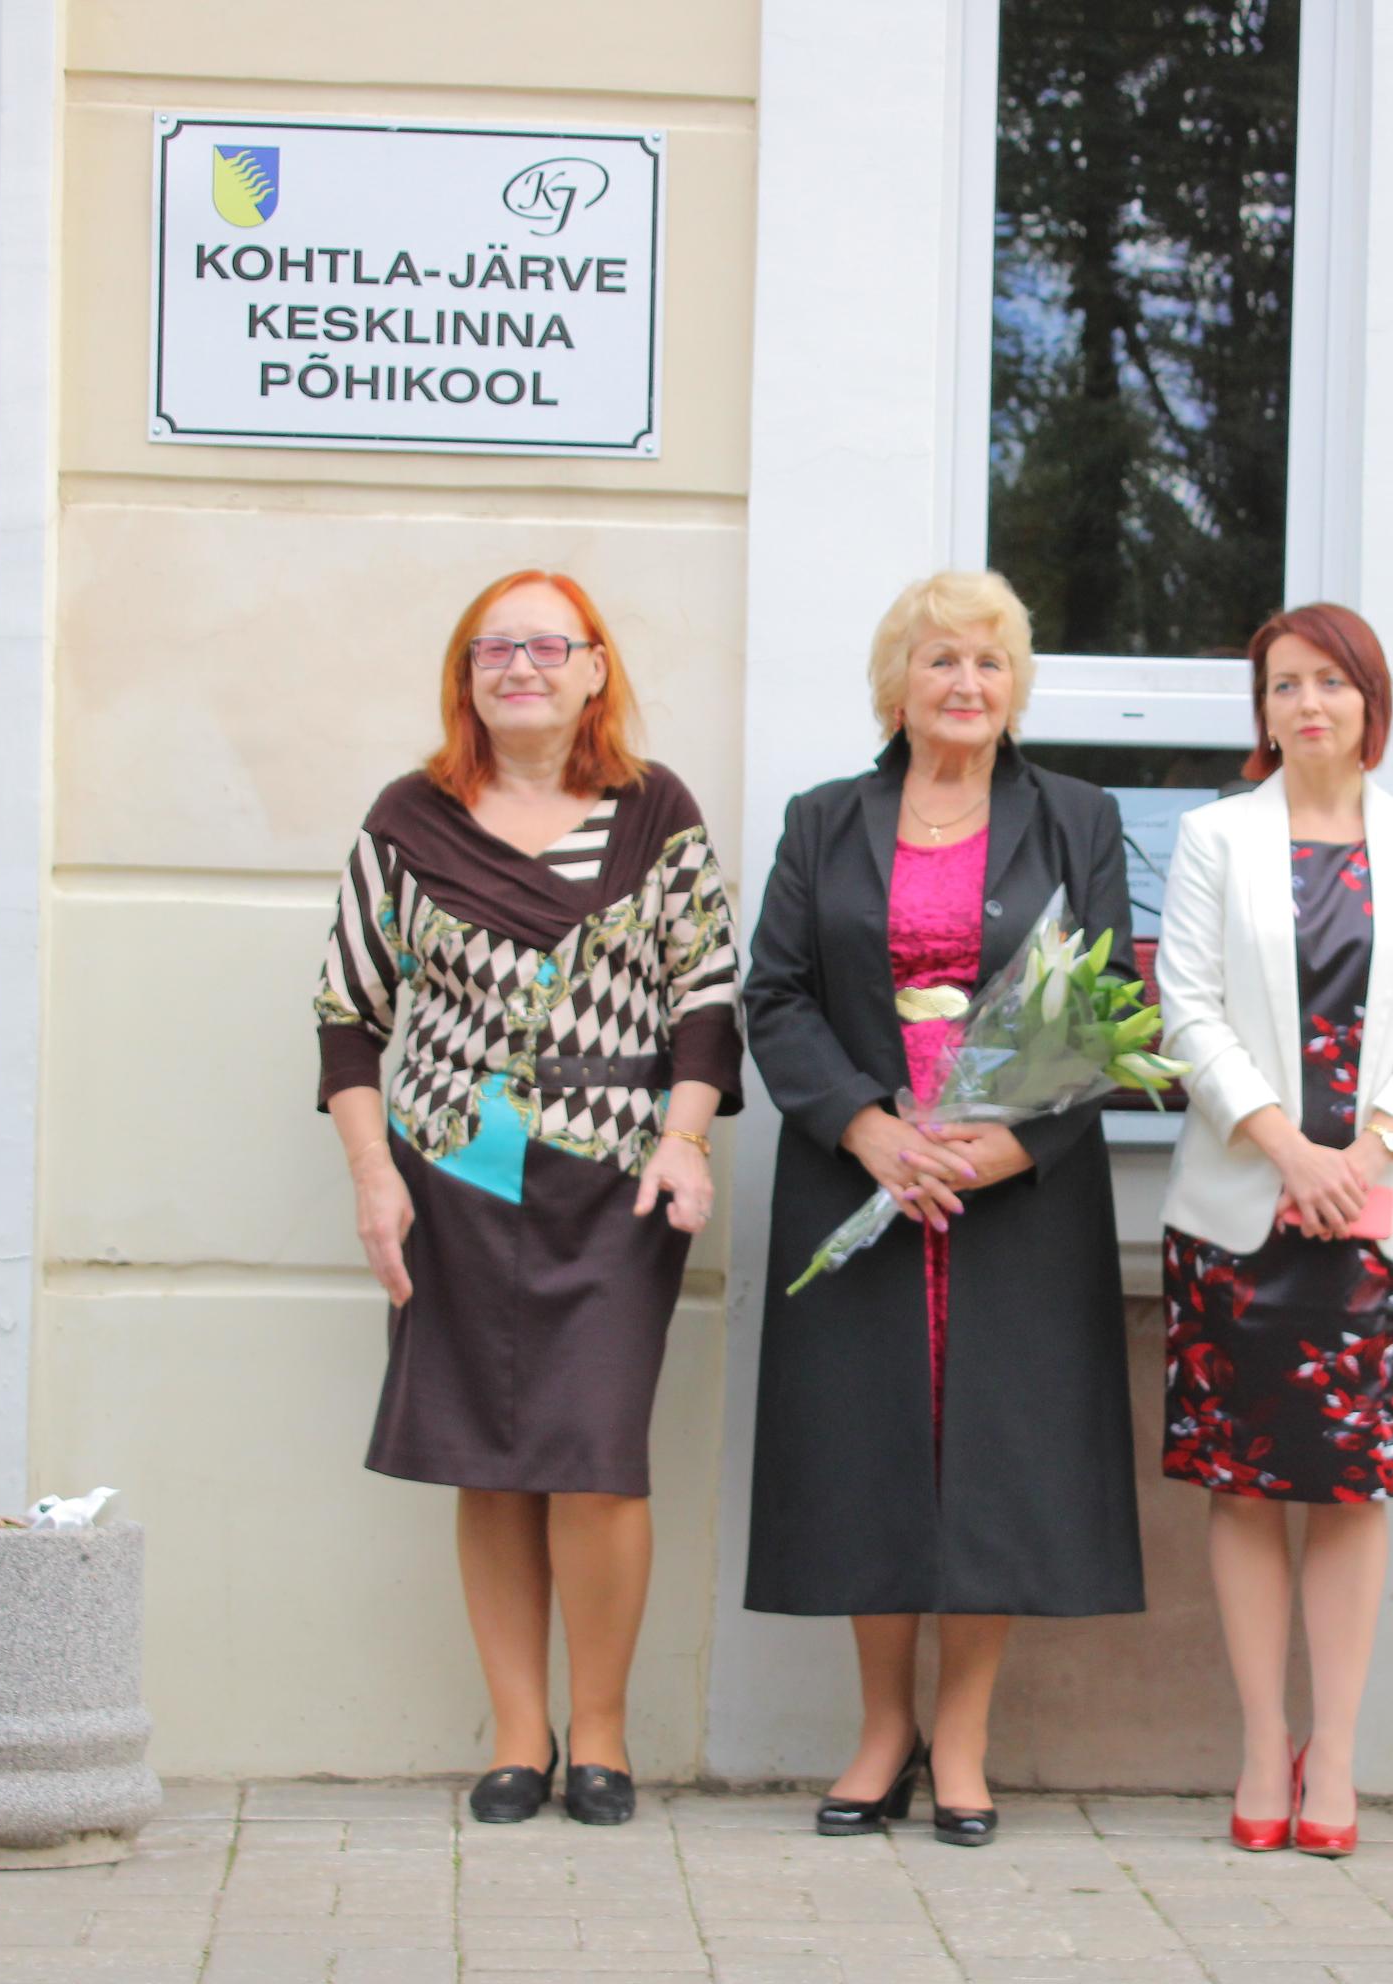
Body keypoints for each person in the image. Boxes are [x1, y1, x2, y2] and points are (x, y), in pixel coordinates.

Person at [313, 569, 741, 1829]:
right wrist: (373, 1175)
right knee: (487, 1461)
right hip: (449, 1177)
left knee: (595, 1460)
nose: (521, 667)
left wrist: (685, 1140)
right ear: (467, 676)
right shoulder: (408, 818)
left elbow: (707, 996)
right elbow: (347, 1014)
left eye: (549, 646)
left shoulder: (655, 811)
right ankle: (517, 1736)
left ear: (595, 668)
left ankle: (600, 1733)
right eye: (494, 649)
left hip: (613, 1179)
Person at [741, 570, 1142, 1848]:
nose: (966, 683)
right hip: (861, 1178)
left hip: (1011, 1196)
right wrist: (866, 1128)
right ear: (896, 685)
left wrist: (1008, 1149)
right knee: (868, 1454)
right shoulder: (824, 820)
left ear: (1015, 686)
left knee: (994, 1464)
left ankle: (961, 1737)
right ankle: (883, 1729)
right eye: (941, 660)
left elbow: (1110, 1010)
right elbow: (775, 993)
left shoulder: (1076, 816)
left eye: (990, 661)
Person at [1150, 603, 1393, 1858]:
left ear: (1369, 701)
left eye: (1330, 682)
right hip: (1242, 1210)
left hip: (1388, 1218)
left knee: (1353, 1487)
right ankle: (1258, 1742)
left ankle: (1333, 1751)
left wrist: (1367, 1152)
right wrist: (1289, 1149)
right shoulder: (1213, 837)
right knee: (1243, 1488)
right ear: (1264, 709)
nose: (1307, 704)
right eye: (1284, 684)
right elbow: (1186, 1007)